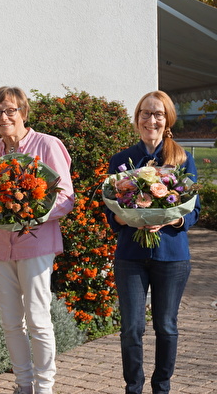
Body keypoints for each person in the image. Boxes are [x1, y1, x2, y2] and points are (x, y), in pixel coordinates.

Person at [0, 86, 75, 394]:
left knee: (37, 318)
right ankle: (22, 384)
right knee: (10, 321)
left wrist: (34, 214)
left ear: (23, 112)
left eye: (9, 110)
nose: (3, 117)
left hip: (35, 243)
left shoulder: (48, 145)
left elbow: (65, 197)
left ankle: (44, 387)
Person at [105, 90, 200, 394]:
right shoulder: (121, 161)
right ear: (138, 119)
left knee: (166, 326)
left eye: (158, 114)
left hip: (171, 256)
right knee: (132, 328)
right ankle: (133, 388)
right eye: (145, 113)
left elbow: (194, 210)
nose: (151, 119)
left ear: (167, 119)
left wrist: (173, 218)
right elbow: (109, 212)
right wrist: (124, 217)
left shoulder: (182, 159)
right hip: (130, 256)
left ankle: (162, 388)